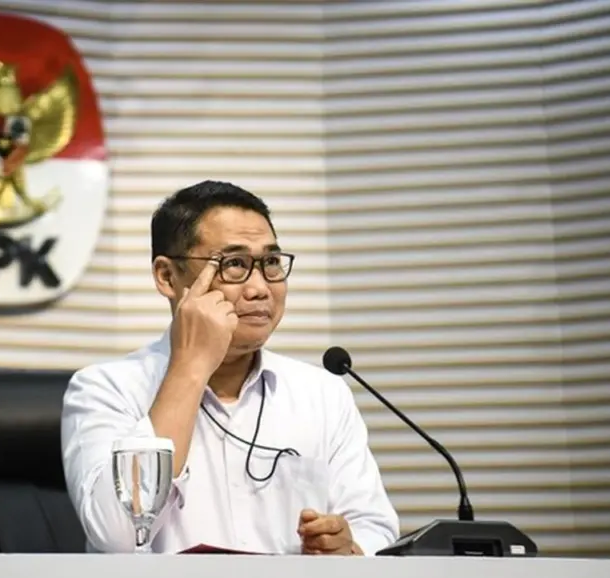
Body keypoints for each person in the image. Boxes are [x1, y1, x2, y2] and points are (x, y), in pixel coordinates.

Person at [61, 180, 399, 555]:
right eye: (234, 264)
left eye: (271, 262)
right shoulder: (105, 389)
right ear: (167, 276)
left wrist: (348, 549)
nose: (260, 288)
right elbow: (118, 537)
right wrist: (189, 367)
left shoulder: (322, 394)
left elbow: (375, 527)